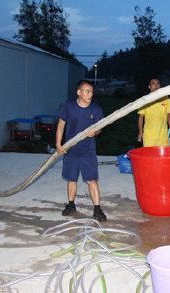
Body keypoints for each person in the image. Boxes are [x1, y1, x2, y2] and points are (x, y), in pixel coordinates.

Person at [55, 80, 107, 222]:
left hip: (88, 150)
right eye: (87, 91)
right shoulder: (68, 106)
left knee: (92, 180)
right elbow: (61, 125)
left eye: (91, 91)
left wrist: (95, 132)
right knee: (71, 179)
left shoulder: (96, 109)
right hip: (70, 150)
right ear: (79, 92)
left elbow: (100, 127)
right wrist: (58, 144)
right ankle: (71, 205)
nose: (90, 94)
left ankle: (97, 209)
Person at [137, 79, 170, 146]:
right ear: (149, 86)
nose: (156, 86)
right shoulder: (145, 99)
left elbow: (169, 114)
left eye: (158, 84)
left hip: (163, 136)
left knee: (163, 156)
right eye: (153, 84)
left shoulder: (166, 98)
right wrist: (140, 132)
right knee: (149, 155)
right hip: (149, 137)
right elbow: (141, 117)